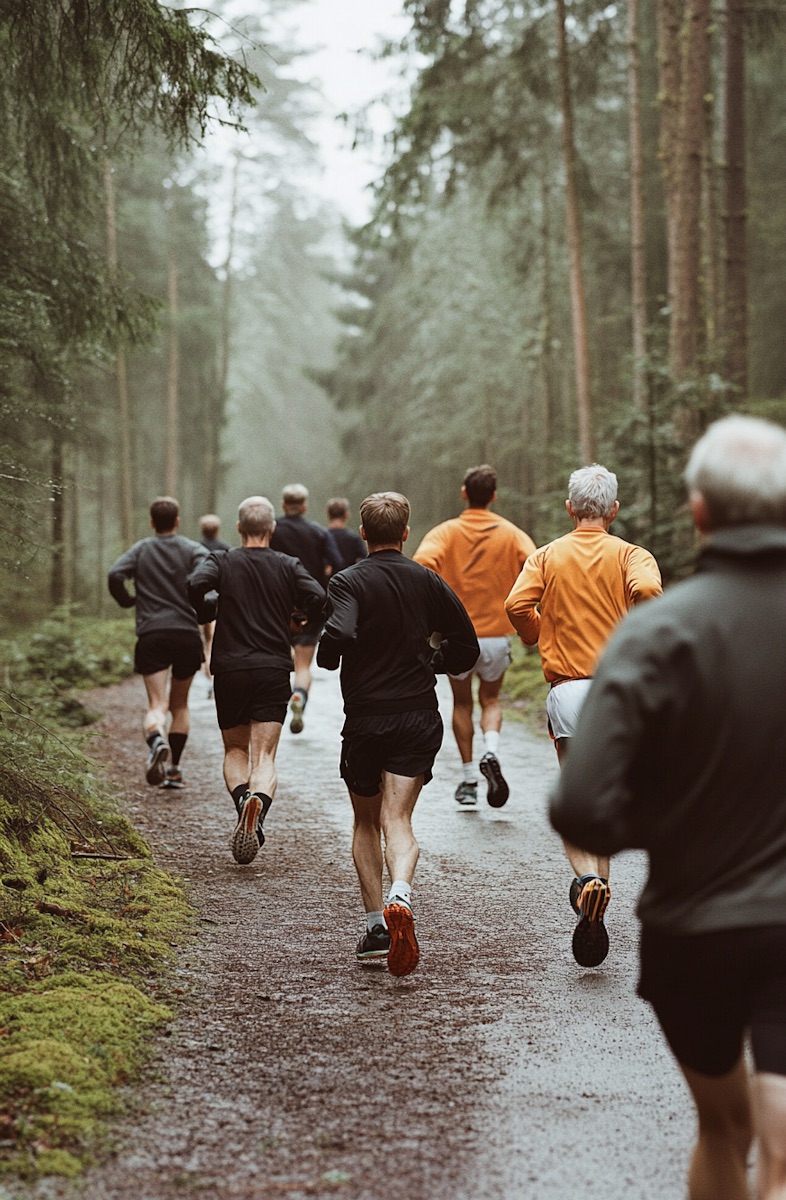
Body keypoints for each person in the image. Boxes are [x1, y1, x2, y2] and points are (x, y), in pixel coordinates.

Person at [550, 416, 786, 1200]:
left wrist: (672, 821)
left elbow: (583, 807)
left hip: (699, 930)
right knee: (780, 1137)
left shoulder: (657, 634)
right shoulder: (642, 599)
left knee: (724, 1129)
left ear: (699, 513)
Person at [505, 465, 661, 966]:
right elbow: (650, 594)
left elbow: (516, 604)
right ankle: (600, 897)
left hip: (569, 691)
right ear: (613, 510)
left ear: (570, 508)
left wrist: (534, 632)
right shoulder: (632, 555)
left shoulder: (547, 556)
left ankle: (586, 881)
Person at [317, 492, 478, 976]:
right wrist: (434, 660)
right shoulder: (428, 581)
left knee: (365, 822)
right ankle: (401, 894)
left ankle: (375, 929)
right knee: (399, 820)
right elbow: (465, 646)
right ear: (406, 533)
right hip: (416, 716)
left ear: (363, 533)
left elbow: (340, 635)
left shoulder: (347, 582)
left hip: (366, 718)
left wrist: (327, 655)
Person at [188, 496, 325, 864]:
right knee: (264, 756)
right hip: (271, 668)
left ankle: (242, 802)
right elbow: (319, 597)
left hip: (230, 669)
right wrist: (298, 621)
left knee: (235, 750)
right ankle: (258, 806)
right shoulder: (287, 565)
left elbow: (194, 584)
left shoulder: (222, 560)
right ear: (271, 529)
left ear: (238, 528)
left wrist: (208, 611)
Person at [413, 464, 535, 808]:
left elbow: (422, 564)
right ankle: (491, 752)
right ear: (494, 496)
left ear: (464, 492)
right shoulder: (512, 534)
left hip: (458, 638)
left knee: (462, 704)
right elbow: (535, 565)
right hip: (497, 635)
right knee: (492, 701)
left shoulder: (445, 533)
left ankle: (468, 780)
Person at [108, 496, 209, 790]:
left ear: (152, 522)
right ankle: (175, 769)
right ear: (177, 521)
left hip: (152, 633)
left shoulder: (141, 550)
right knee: (180, 706)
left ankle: (156, 739)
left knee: (157, 703)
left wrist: (128, 600)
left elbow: (115, 574)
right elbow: (208, 575)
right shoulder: (193, 550)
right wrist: (202, 609)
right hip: (187, 634)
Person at [269, 483, 342, 734]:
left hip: (278, 603)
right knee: (303, 664)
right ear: (304, 506)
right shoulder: (319, 532)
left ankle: (276, 701)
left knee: (280, 655)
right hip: (312, 603)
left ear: (282, 505)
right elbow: (338, 562)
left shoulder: (272, 531)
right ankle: (299, 694)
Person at [197, 514, 230, 694]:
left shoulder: (194, 547)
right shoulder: (225, 550)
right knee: (216, 640)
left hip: (200, 599)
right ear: (217, 530)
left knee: (206, 641)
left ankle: (209, 678)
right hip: (218, 600)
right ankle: (214, 679)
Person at [326, 497, 367, 570]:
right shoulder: (354, 538)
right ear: (346, 515)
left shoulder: (321, 537)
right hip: (350, 579)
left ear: (328, 514)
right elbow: (366, 559)